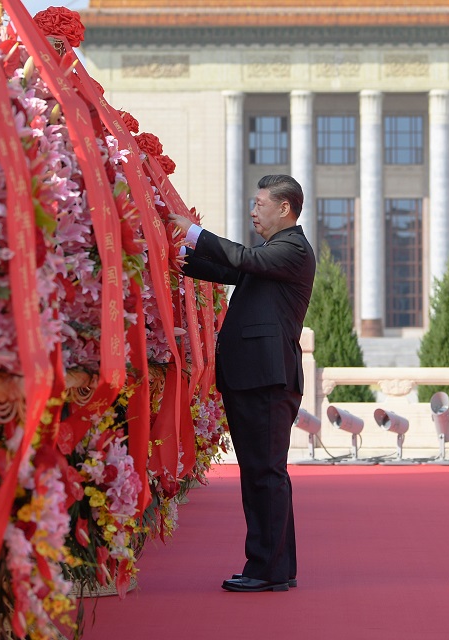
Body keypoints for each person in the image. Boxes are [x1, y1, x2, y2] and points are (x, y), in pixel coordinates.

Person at [168, 174, 316, 593]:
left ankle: (266, 568)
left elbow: (242, 259)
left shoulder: (291, 249)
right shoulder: (272, 254)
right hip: (256, 378)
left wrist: (194, 232)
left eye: (260, 203)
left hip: (266, 379)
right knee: (262, 473)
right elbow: (229, 267)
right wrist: (180, 255)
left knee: (264, 473)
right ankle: (276, 566)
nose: (253, 211)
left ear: (284, 209)